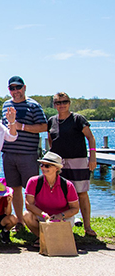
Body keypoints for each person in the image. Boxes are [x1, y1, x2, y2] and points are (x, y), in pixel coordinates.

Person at [48, 92, 97, 237]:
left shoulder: (78, 119)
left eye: (64, 102)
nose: (61, 105)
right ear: (54, 105)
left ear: (69, 103)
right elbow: (51, 139)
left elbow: (90, 137)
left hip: (78, 160)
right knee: (61, 193)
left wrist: (92, 157)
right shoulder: (51, 120)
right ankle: (64, 222)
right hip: (59, 163)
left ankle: (87, 226)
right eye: (58, 103)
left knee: (81, 193)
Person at [1, 76, 47, 230]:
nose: (15, 91)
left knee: (32, 190)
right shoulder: (6, 105)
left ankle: (33, 220)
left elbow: (43, 126)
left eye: (18, 88)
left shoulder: (33, 106)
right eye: (12, 88)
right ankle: (20, 221)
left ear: (24, 87)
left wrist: (21, 127)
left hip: (28, 155)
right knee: (14, 189)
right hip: (9, 154)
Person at [24, 151, 80, 247]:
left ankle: (49, 239)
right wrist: (44, 215)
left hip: (62, 218)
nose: (43, 168)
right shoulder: (33, 181)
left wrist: (60, 215)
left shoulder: (67, 185)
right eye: (42, 165)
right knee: (26, 215)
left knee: (65, 224)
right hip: (41, 216)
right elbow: (29, 204)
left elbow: (75, 208)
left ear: (57, 168)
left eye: (47, 166)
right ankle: (43, 238)